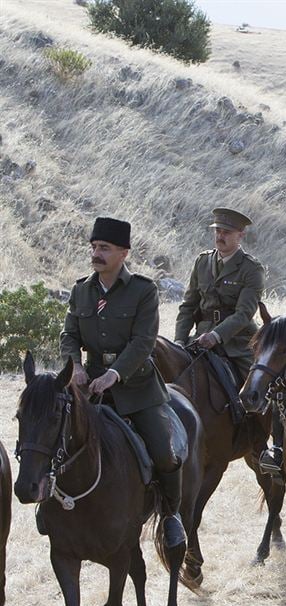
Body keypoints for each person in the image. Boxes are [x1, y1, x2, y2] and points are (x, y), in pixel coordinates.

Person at [60, 217, 187, 547]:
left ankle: (172, 517)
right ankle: (53, 505)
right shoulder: (80, 290)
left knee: (164, 450)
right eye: (94, 247)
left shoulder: (143, 291)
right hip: (90, 387)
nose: (96, 254)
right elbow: (69, 334)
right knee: (53, 435)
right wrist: (74, 365)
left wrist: (115, 374)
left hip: (137, 390)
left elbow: (144, 342)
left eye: (104, 248)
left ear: (123, 253)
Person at [175, 207, 265, 379]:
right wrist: (179, 340)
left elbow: (244, 313)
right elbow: (188, 306)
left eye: (227, 232)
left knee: (256, 386)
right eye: (218, 231)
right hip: (200, 339)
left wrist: (216, 336)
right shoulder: (202, 262)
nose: (220, 236)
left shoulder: (251, 269)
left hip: (237, 343)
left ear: (240, 235)